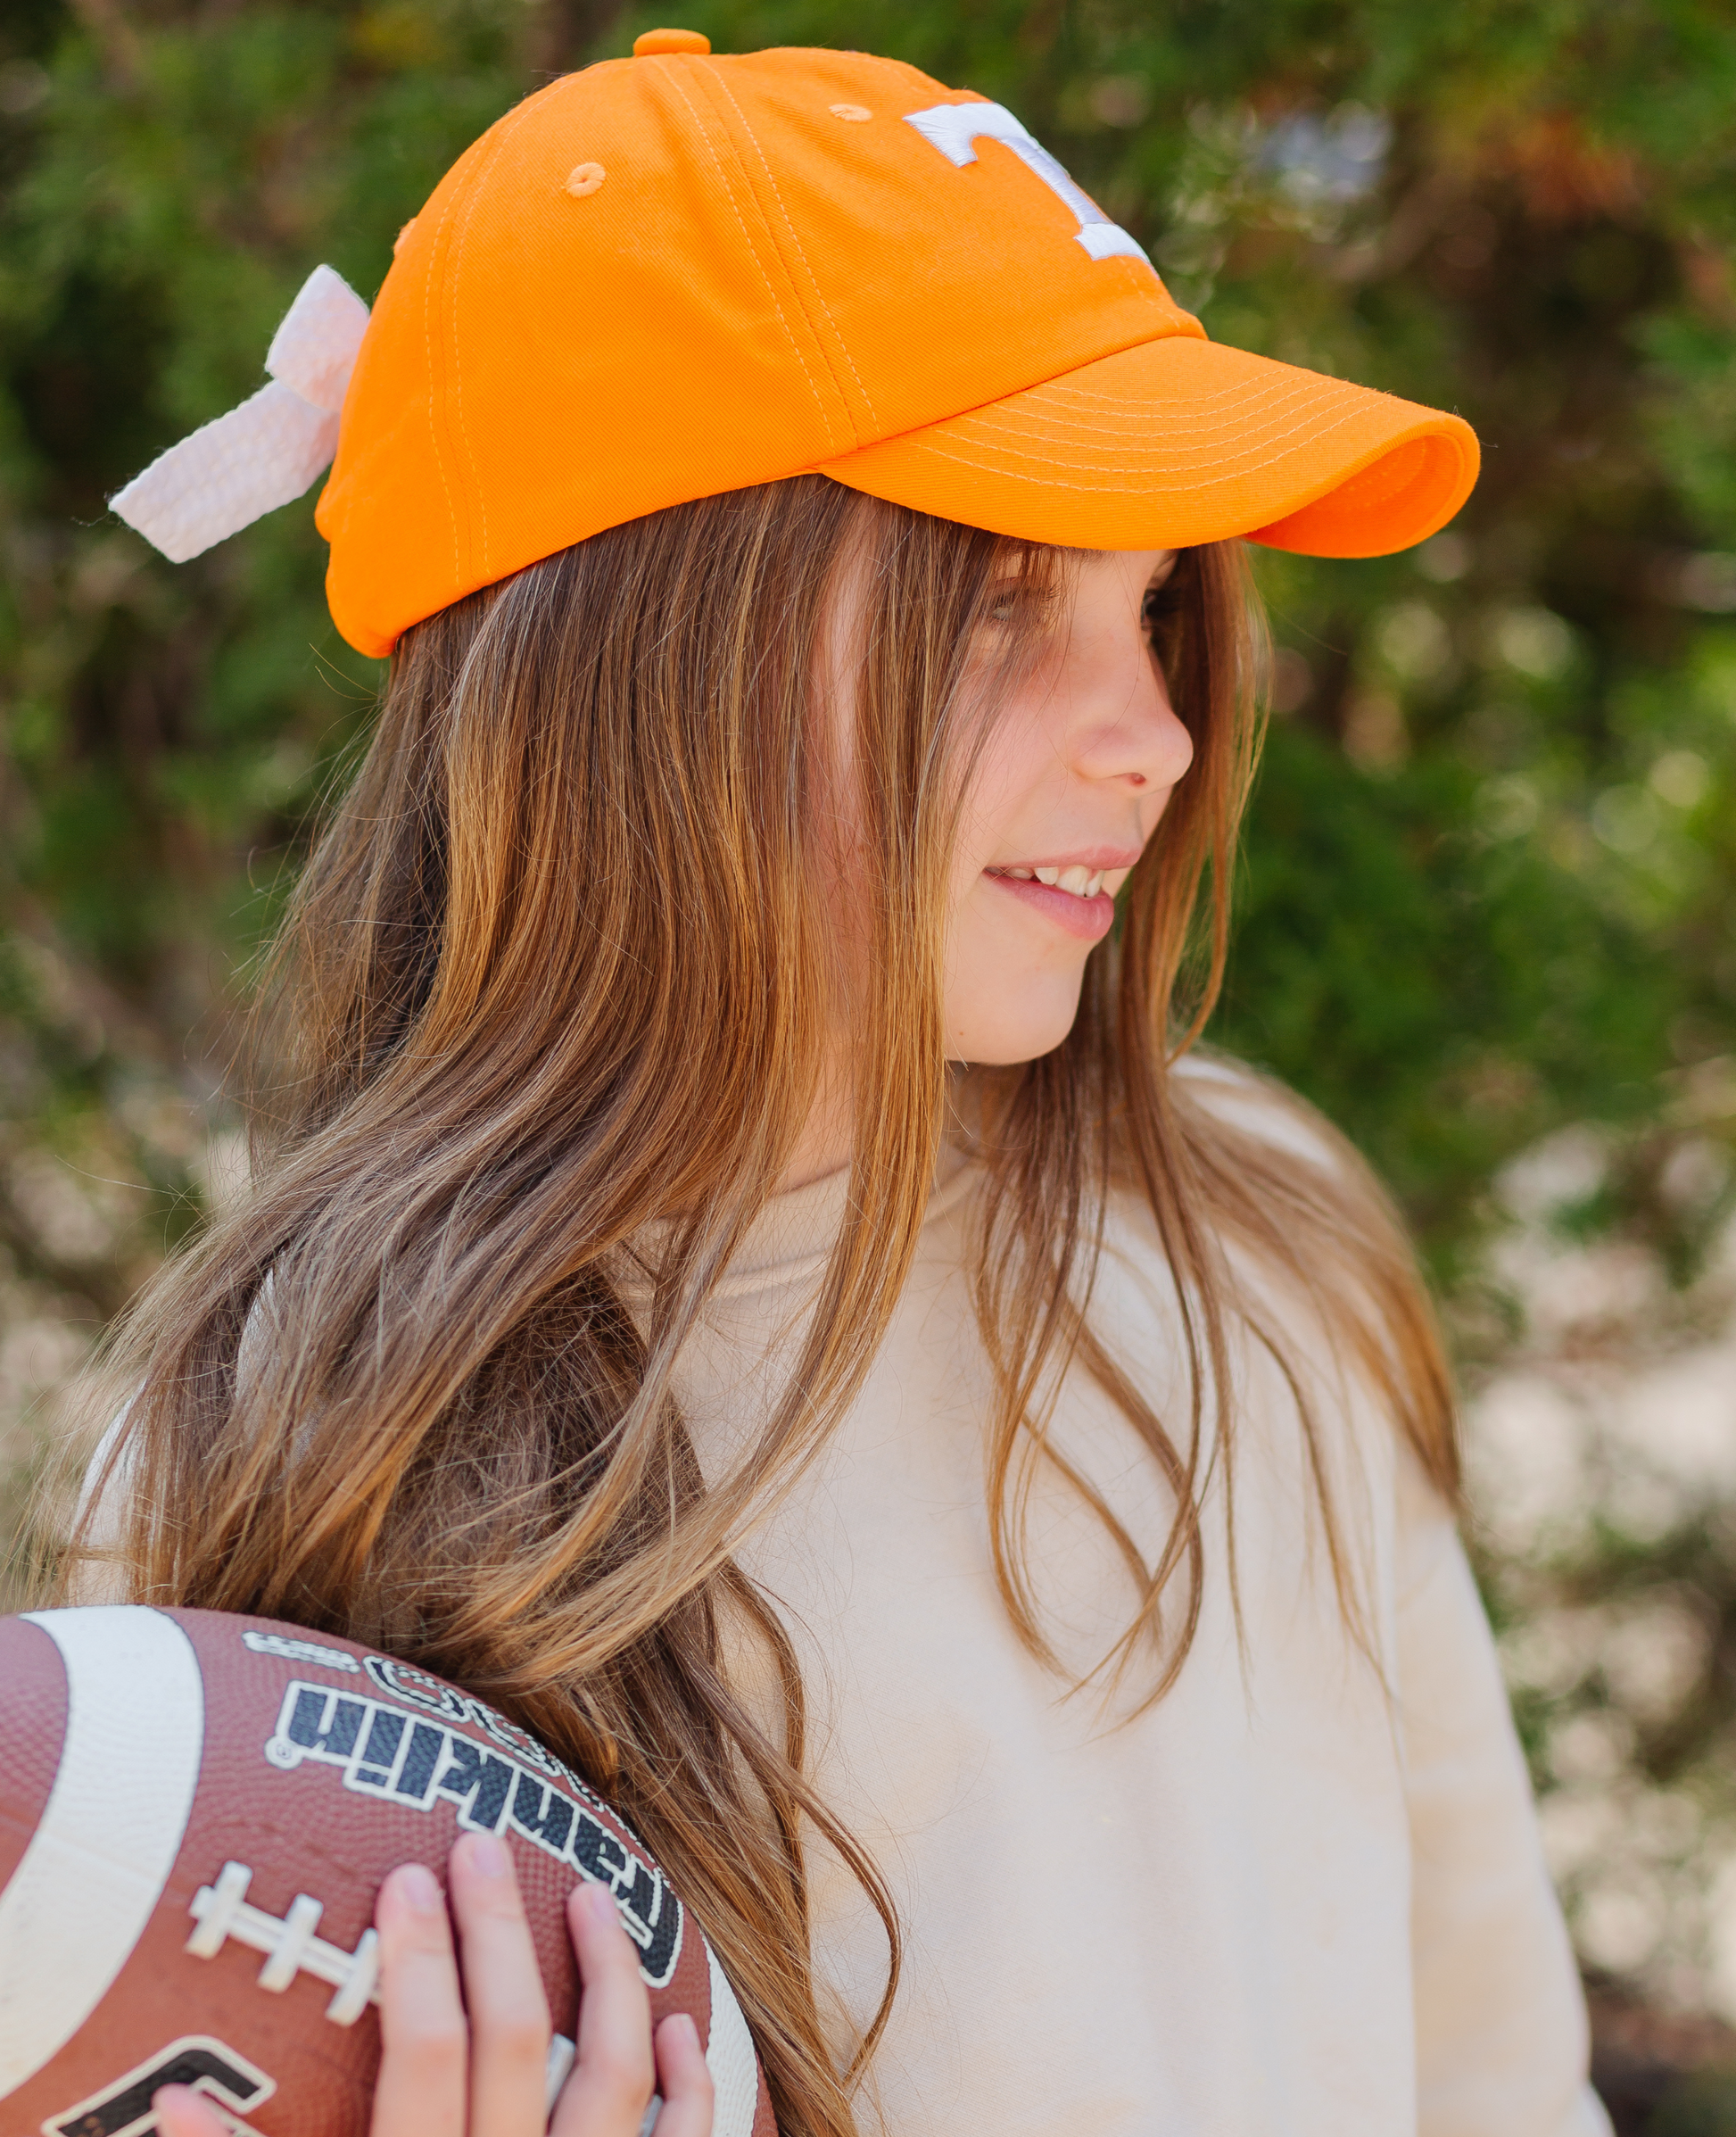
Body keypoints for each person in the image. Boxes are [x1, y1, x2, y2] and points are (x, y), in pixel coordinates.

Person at [73, 29, 1610, 2137]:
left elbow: (1498, 2075)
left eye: (1153, 607)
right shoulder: (305, 1421)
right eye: (996, 612)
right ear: (629, 671)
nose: (1150, 737)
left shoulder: (1267, 1243)